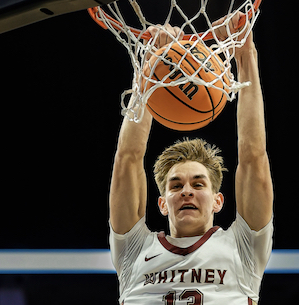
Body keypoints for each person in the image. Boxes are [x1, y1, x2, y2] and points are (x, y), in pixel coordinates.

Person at [108, 12, 274, 305]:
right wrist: (149, 70)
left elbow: (253, 156)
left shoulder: (243, 246)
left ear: (218, 201)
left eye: (198, 184)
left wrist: (246, 56)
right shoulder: (134, 249)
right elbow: (128, 159)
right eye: (175, 186)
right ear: (162, 203)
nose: (186, 190)